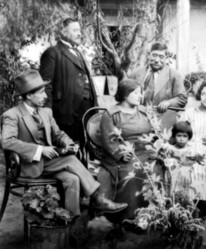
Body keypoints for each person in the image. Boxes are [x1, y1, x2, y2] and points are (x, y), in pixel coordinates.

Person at [1, 70, 127, 217]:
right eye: (41, 92)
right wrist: (40, 149)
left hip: (49, 163)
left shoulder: (45, 112)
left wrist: (69, 143)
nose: (46, 96)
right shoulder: (12, 115)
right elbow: (7, 141)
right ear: (29, 95)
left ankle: (70, 221)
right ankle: (97, 198)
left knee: (72, 179)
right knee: (71, 160)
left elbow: (58, 134)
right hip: (27, 165)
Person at [98, 79, 154, 222]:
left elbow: (154, 133)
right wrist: (120, 153)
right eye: (135, 93)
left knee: (159, 167)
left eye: (140, 93)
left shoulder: (143, 111)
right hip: (124, 155)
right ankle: (130, 217)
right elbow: (108, 140)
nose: (140, 96)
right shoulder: (111, 114)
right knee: (134, 171)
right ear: (124, 94)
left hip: (145, 152)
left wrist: (156, 148)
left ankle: (154, 215)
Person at [39, 18, 97, 146]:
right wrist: (47, 108)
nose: (79, 33)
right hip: (66, 111)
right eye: (75, 30)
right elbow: (45, 84)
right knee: (68, 146)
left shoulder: (78, 53)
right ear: (64, 32)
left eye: (79, 30)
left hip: (85, 109)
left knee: (84, 146)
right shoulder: (52, 53)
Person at [127, 42, 187, 114]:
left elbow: (182, 99)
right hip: (136, 116)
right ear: (149, 55)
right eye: (154, 55)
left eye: (161, 57)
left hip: (161, 117)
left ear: (166, 58)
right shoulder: (135, 73)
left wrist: (168, 103)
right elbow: (126, 95)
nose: (157, 60)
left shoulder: (174, 75)